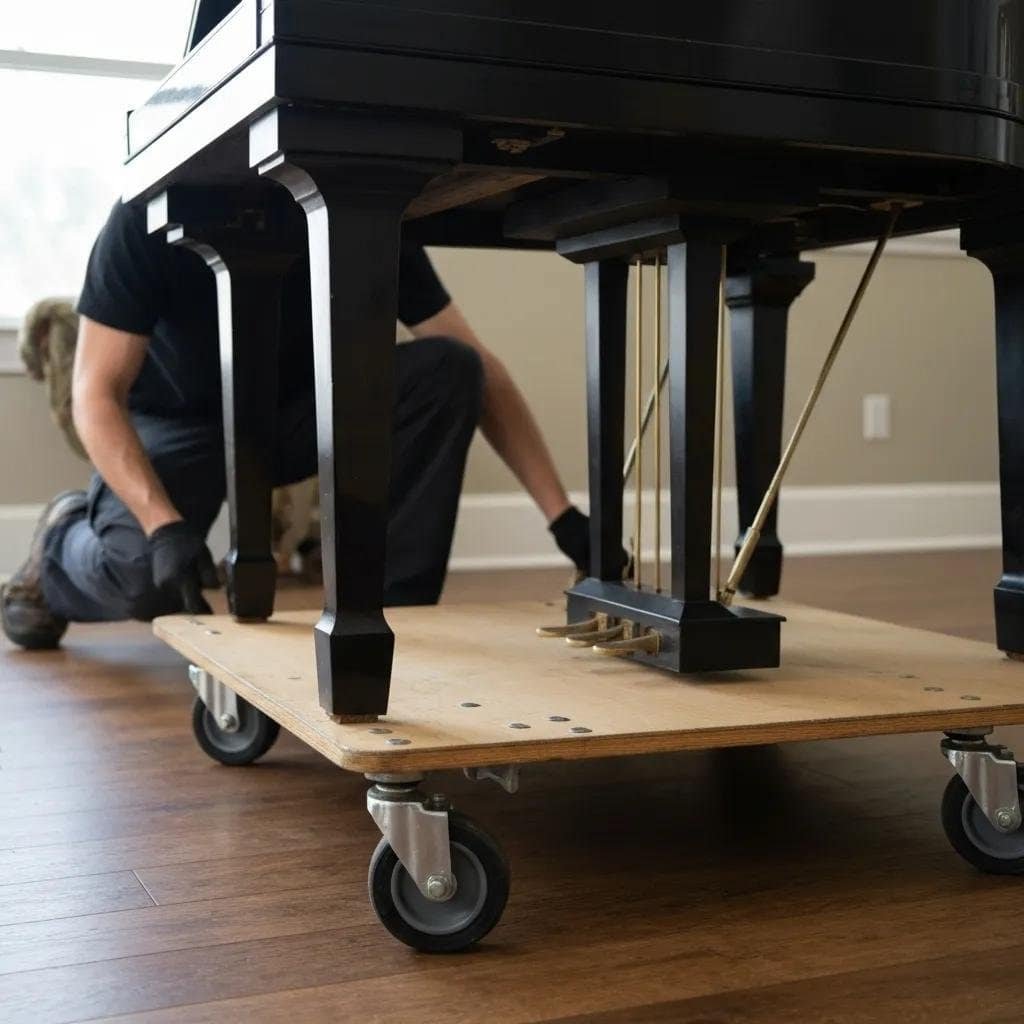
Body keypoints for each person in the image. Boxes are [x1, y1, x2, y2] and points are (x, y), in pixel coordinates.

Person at [1, 200, 618, 650]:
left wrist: (562, 517)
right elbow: (95, 394)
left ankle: (397, 616)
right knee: (142, 581)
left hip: (295, 414)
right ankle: (59, 548)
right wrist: (163, 527)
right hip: (178, 422)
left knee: (447, 370)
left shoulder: (358, 212)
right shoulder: (143, 220)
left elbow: (480, 370)